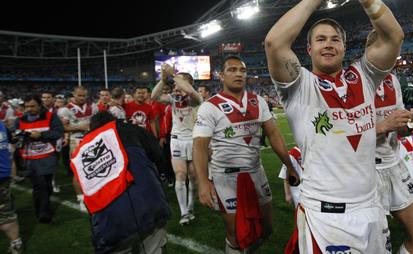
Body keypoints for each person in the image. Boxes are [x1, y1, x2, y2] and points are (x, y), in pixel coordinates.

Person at [265, 0, 403, 253]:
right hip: (324, 217)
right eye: (320, 39)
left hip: (371, 210)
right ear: (309, 49)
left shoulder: (364, 76)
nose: (328, 44)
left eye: (335, 39)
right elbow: (274, 44)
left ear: (343, 47)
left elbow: (394, 36)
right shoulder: (299, 86)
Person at [193, 55, 299, 253]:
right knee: (235, 234)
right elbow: (199, 146)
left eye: (242, 70)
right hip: (226, 177)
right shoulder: (209, 107)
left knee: (267, 229)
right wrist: (203, 182)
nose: (238, 74)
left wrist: (290, 166)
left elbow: (274, 134)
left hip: (255, 172)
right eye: (232, 70)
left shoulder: (257, 101)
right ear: (221, 75)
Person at [71, 111, 170, 254]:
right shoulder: (130, 129)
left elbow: (78, 181)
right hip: (148, 206)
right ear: (114, 121)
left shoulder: (81, 149)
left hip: (108, 224)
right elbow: (158, 156)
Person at [373, 69, 413, 254]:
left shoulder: (393, 81)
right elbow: (342, 133)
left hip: (395, 164)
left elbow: (397, 129)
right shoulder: (354, 81)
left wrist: (411, 125)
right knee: (377, 248)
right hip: (368, 171)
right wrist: (383, 126)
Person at [152, 65, 202, 225]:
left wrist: (174, 75)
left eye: (180, 84)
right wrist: (164, 79)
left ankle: (191, 207)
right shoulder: (172, 99)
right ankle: (184, 213)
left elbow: (191, 92)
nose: (176, 87)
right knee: (180, 175)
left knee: (193, 176)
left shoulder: (195, 99)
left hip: (193, 140)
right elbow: (154, 96)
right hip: (177, 140)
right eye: (175, 85)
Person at [15, 94, 63, 223]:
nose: (29, 109)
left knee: (46, 185)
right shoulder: (19, 120)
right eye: (27, 106)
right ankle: (42, 213)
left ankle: (43, 208)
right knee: (39, 185)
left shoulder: (51, 116)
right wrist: (18, 137)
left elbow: (59, 132)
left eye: (32, 106)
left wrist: (41, 135)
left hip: (47, 156)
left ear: (39, 105)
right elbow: (15, 136)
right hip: (29, 158)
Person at [57, 85, 97, 209]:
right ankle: (81, 199)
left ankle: (93, 194)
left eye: (84, 95)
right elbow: (64, 127)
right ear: (73, 95)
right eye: (79, 95)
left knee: (94, 168)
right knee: (78, 171)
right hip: (77, 141)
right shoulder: (65, 110)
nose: (82, 98)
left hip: (91, 140)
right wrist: (81, 127)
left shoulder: (93, 106)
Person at [0, 120, 23, 253]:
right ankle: (16, 243)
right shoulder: (1, 124)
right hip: (3, 174)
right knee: (6, 212)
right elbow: (12, 141)